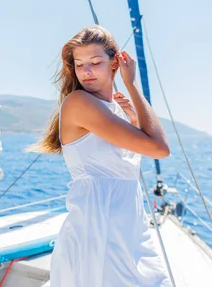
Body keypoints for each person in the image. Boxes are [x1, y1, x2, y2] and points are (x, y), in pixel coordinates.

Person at [31, 25, 171, 286]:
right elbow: (160, 148)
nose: (86, 71)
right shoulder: (78, 103)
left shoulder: (114, 110)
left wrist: (131, 116)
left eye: (95, 62)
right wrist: (132, 84)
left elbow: (135, 153)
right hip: (97, 233)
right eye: (80, 64)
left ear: (114, 62)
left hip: (129, 231)